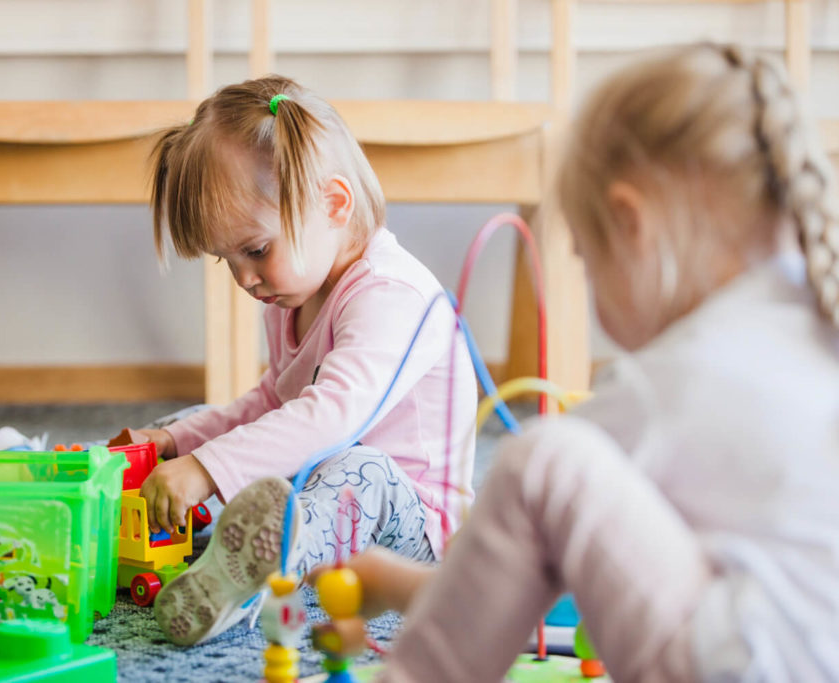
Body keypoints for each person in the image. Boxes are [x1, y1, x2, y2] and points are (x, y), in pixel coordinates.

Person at [313, 43, 839, 682]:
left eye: (586, 260)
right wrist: (396, 585)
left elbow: (504, 578)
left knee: (544, 461)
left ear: (632, 226)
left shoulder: (670, 384)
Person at [123, 75, 477, 646]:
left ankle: (258, 567)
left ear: (335, 204)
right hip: (321, 481)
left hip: (412, 527)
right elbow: (270, 402)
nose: (243, 278)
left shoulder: (393, 294)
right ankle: (177, 532)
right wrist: (178, 445)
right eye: (226, 260)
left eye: (256, 250)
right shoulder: (292, 295)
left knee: (362, 470)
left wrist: (210, 468)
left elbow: (331, 417)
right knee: (182, 429)